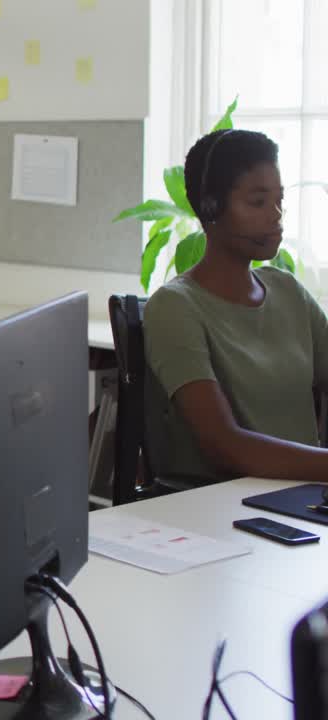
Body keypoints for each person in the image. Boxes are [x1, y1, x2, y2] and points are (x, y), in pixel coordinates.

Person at [144, 129, 328, 487]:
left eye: (279, 200)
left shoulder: (288, 290)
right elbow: (225, 447)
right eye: (258, 203)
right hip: (223, 512)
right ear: (211, 207)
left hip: (300, 500)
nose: (275, 216)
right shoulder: (175, 307)